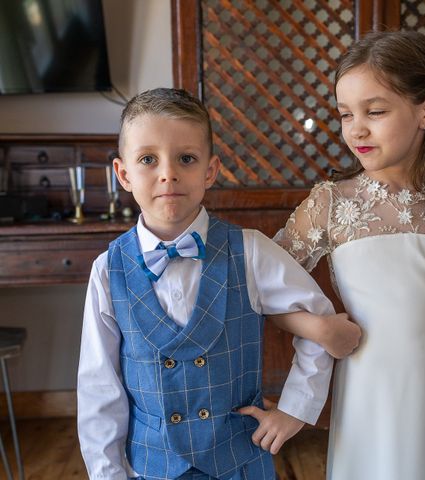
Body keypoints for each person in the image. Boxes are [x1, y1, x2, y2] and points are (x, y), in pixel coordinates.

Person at [77, 88, 360, 480]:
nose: (168, 173)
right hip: (151, 468)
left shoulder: (251, 251)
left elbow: (321, 323)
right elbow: (99, 387)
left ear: (210, 171)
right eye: (147, 159)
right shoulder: (107, 270)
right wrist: (108, 474)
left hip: (240, 462)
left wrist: (295, 409)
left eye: (186, 159)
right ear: (123, 174)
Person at [275, 30, 425, 479]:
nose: (356, 127)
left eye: (374, 111)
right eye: (344, 114)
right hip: (368, 395)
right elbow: (264, 287)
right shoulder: (330, 204)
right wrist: (317, 327)